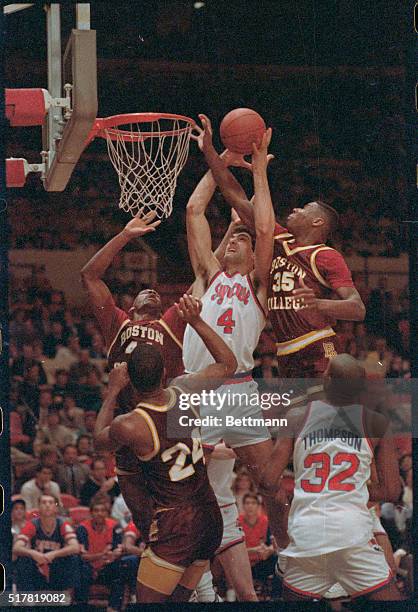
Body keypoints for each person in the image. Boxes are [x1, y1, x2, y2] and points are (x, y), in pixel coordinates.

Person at [187, 124, 285, 599]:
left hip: (240, 389)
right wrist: (216, 156)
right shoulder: (207, 275)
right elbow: (194, 210)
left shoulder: (257, 287)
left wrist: (260, 171)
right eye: (231, 238)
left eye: (240, 240)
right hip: (200, 391)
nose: (233, 243)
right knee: (196, 492)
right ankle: (201, 583)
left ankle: (286, 550)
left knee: (270, 481)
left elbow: (264, 226)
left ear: (251, 251)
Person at [195, 114, 365, 380]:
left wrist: (319, 304)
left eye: (304, 208)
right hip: (285, 352)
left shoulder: (326, 256)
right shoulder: (279, 239)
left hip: (320, 344)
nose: (296, 209)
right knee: (297, 419)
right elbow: (234, 194)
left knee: (328, 414)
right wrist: (210, 152)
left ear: (317, 222)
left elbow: (357, 308)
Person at [94, 294, 237, 602]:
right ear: (164, 374)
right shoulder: (185, 390)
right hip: (210, 518)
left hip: (177, 523)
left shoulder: (131, 425)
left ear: (129, 379)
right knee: (178, 601)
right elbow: (228, 363)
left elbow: (97, 442)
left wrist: (112, 391)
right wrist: (196, 321)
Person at [260, 354, 404, 601]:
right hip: (351, 533)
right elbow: (392, 492)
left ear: (326, 381)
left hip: (307, 533)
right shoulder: (377, 424)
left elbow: (267, 482)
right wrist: (351, 490)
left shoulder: (296, 417)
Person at [81, 212, 186, 533]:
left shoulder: (170, 321)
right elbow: (90, 277)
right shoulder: (118, 324)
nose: (152, 291)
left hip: (164, 423)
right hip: (127, 424)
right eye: (144, 291)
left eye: (157, 292)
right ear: (130, 305)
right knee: (144, 519)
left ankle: (197, 579)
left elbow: (205, 278)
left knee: (180, 512)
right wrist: (124, 235)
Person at [13, 493, 80, 593]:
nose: (47, 505)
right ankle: (26, 601)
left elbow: (75, 547)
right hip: (37, 566)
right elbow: (16, 548)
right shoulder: (32, 524)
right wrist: (33, 553)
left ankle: (67, 598)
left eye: (51, 503)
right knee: (23, 559)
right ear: (38, 507)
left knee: (74, 558)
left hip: (56, 568)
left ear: (56, 508)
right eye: (44, 503)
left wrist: (54, 554)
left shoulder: (62, 524)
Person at [75, 494, 127, 610]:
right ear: (91, 513)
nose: (99, 513)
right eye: (96, 510)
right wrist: (102, 555)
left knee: (120, 567)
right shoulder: (82, 529)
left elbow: (118, 551)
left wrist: (115, 555)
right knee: (80, 569)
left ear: (107, 512)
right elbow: (83, 557)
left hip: (106, 568)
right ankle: (81, 607)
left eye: (103, 510)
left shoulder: (115, 526)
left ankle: (113, 608)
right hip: (88, 567)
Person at [238, 493, 281, 598]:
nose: (250, 506)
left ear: (258, 506)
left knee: (278, 558)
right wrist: (254, 550)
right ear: (243, 506)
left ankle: (276, 597)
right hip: (242, 562)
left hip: (260, 561)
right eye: (247, 503)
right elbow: (234, 550)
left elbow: (275, 544)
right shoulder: (238, 522)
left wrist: (269, 550)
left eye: (253, 503)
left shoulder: (265, 521)